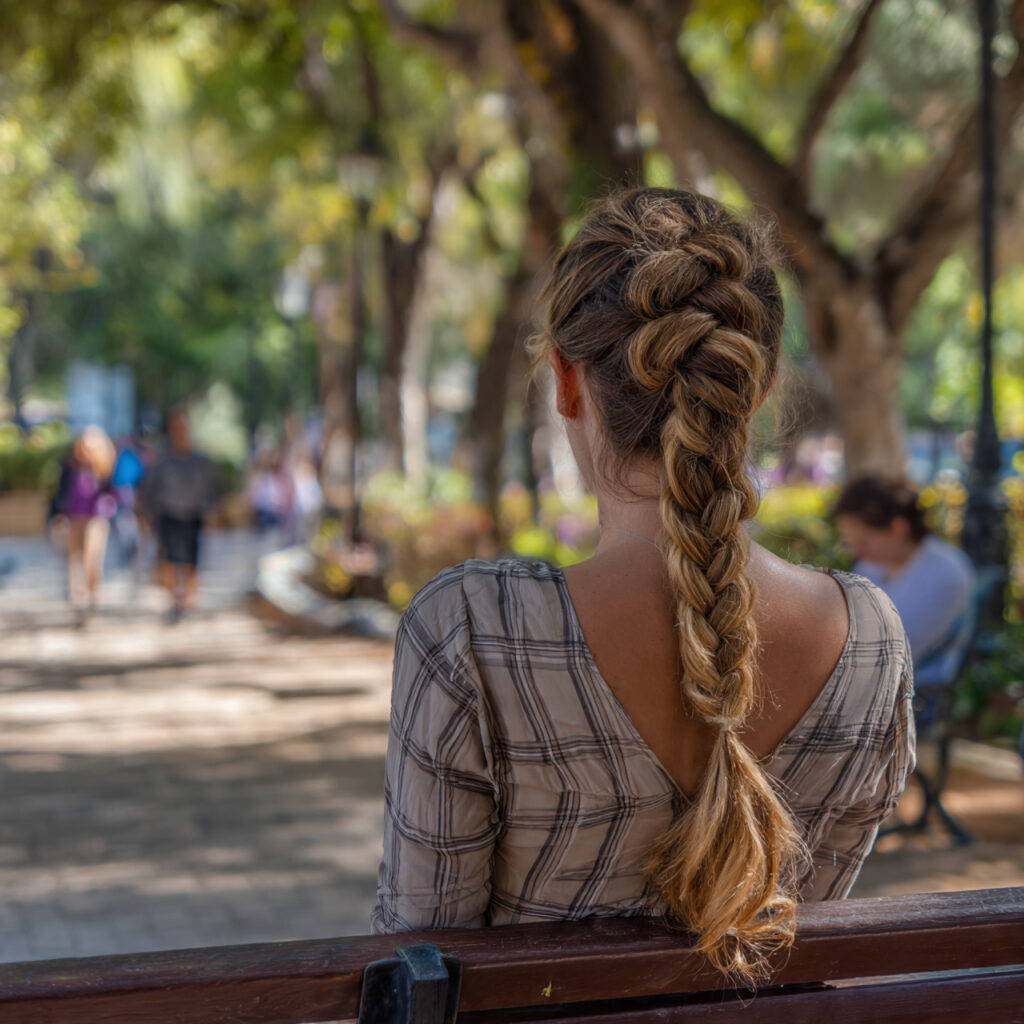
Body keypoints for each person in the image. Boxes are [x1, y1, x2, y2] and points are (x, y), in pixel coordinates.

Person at [371, 188, 914, 982]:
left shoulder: (469, 632)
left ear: (566, 381)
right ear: (756, 389)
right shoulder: (871, 640)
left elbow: (420, 957)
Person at [833, 476, 976, 692]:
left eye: (863, 541)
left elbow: (895, 650)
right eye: (850, 542)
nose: (856, 551)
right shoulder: (871, 564)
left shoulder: (946, 572)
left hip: (915, 694)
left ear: (898, 528)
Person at [140, 409, 220, 622]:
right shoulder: (161, 459)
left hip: (194, 516)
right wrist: (146, 514)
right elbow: (149, 488)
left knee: (191, 560)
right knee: (170, 560)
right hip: (168, 515)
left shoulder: (201, 461)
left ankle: (186, 598)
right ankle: (176, 600)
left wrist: (212, 512)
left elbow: (212, 489)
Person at [59, 427, 118, 618]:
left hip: (96, 520)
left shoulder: (103, 469)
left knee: (92, 559)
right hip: (74, 518)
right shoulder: (70, 468)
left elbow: (113, 493)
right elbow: (61, 493)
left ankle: (94, 596)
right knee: (74, 559)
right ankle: (78, 597)